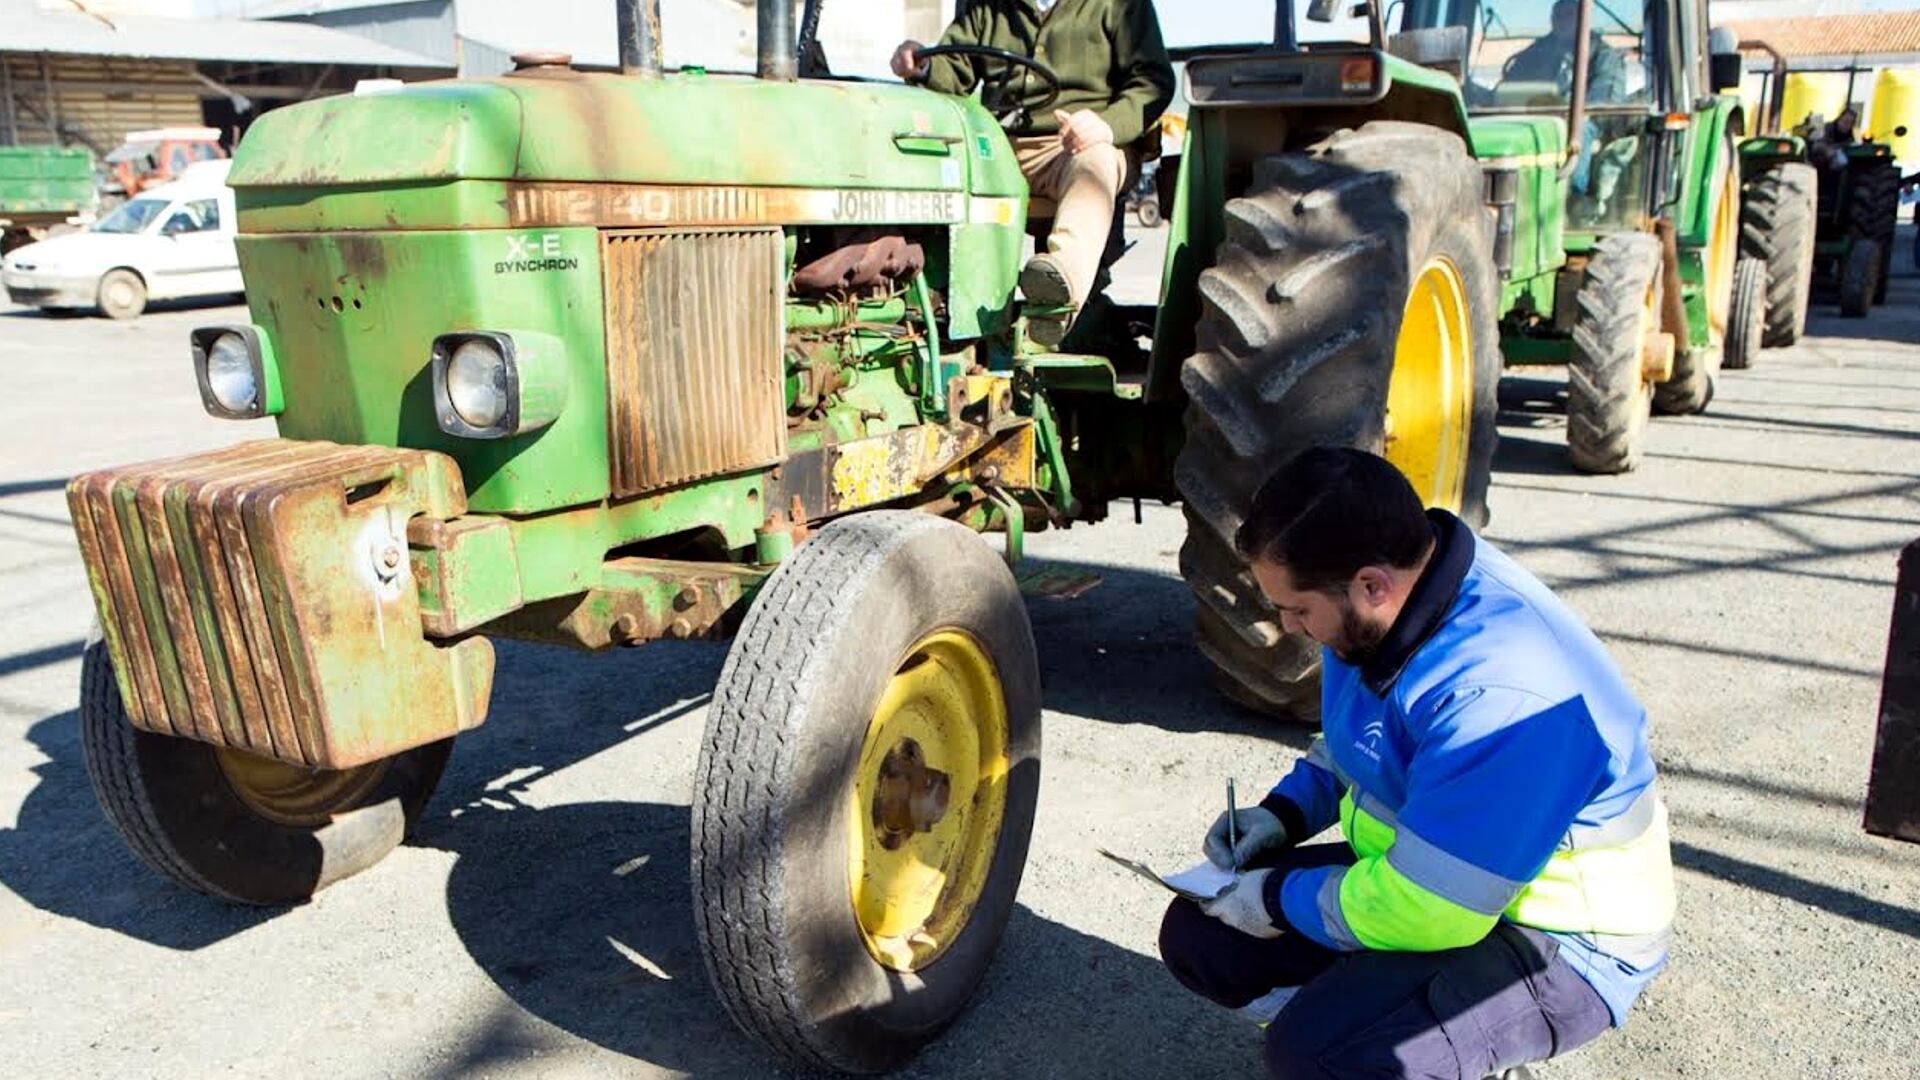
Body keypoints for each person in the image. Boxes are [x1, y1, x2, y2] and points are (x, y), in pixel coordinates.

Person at [1157, 447, 1675, 1079]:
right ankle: (1369, 1027)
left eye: (1297, 609)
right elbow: (1361, 743)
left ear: (1373, 584)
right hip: (1444, 873)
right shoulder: (1385, 608)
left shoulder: (1505, 694)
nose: (1289, 627)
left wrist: (1273, 899)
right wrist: (1284, 813)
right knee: (1202, 937)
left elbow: (1434, 908)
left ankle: (1393, 1052)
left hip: (1555, 938)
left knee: (1321, 1053)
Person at [891, 0, 1174, 346]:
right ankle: (915, 305)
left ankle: (1058, 291)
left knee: (1094, 165)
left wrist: (1106, 125)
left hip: (1080, 144)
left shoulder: (1120, 6)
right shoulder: (987, 7)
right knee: (923, 157)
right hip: (1000, 146)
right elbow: (956, 68)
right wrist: (922, 66)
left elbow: (1153, 82)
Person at [1501, 0, 1627, 104]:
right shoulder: (1534, 53)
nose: (1562, 20)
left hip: (1574, 129)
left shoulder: (1604, 57)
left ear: (1582, 19)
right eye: (1557, 15)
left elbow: (1601, 110)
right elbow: (1507, 92)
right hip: (1528, 124)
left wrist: (1567, 128)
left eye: (1569, 15)